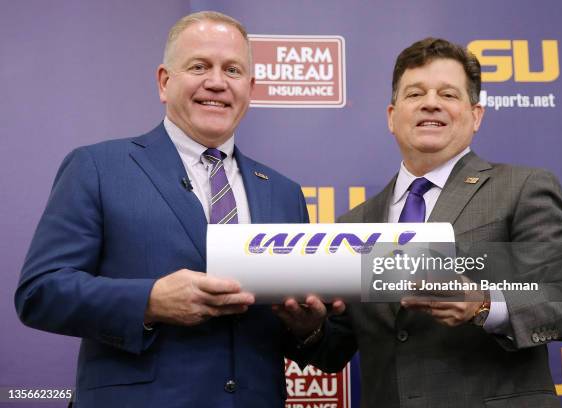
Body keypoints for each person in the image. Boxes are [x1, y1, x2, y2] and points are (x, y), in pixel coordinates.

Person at [15, 11, 334, 408]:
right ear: (165, 82)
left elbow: (303, 343)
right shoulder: (97, 168)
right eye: (199, 66)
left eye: (232, 69)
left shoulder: (285, 193)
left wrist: (306, 327)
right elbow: (40, 293)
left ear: (250, 88)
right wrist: (149, 300)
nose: (216, 82)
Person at [307, 38, 562, 407]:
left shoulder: (523, 188)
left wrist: (485, 303)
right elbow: (335, 348)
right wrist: (309, 327)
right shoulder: (354, 224)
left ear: (475, 115)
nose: (431, 102)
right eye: (416, 94)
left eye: (448, 93)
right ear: (391, 116)